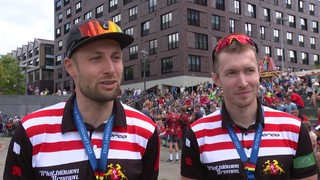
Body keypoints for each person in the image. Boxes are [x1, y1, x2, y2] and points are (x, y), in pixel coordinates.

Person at [4, 19, 160, 180]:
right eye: (96, 58)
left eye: (116, 57)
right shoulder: (32, 132)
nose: (110, 69)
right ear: (70, 67)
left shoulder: (146, 131)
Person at [180, 33, 318, 179]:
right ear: (217, 79)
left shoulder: (294, 129)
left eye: (249, 71)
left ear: (259, 71)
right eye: (231, 73)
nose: (243, 82)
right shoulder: (197, 134)